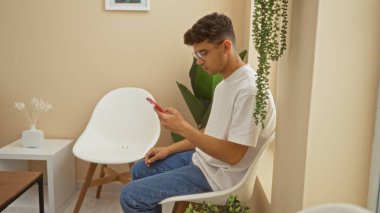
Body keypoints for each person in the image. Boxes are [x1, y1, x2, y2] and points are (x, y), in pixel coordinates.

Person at [119, 12, 276, 213]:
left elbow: (233, 155)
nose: (199, 61)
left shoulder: (250, 91)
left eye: (204, 53)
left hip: (221, 178)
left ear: (226, 47)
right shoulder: (224, 85)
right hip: (204, 162)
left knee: (131, 196)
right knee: (141, 168)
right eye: (196, 55)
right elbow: (209, 132)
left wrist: (182, 127)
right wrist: (169, 149)